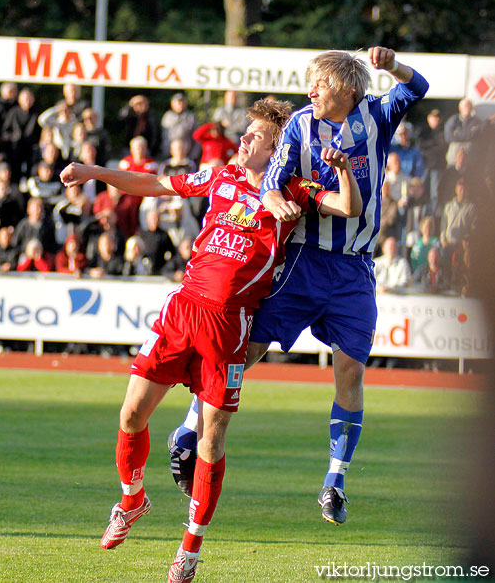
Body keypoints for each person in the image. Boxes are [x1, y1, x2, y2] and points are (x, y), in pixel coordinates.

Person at [59, 98, 362, 582]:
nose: (242, 140)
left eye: (254, 136)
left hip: (230, 325)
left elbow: (348, 206)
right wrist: (94, 171)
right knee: (132, 412)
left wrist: (343, 169)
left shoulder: (293, 191)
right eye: (245, 133)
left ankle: (190, 549)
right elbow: (155, 184)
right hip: (183, 309)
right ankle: (132, 499)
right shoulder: (219, 176)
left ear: (277, 147)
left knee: (211, 437)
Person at [167, 46, 429, 527]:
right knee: (247, 352)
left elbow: (418, 87)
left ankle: (335, 482)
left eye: (321, 83)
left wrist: (390, 64)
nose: (311, 90)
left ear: (347, 90)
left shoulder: (376, 113)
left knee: (350, 371)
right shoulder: (301, 124)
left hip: (355, 269)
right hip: (303, 261)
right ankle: (188, 427)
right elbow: (274, 175)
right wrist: (271, 197)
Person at [444, 98, 484, 166]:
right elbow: (448, 137)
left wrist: (458, 133)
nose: (467, 108)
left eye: (469, 106)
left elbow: (477, 135)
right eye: (465, 106)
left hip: (470, 159)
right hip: (453, 159)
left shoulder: (476, 121)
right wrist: (469, 133)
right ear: (460, 108)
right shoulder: (453, 120)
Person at [161, 92, 198, 159]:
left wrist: (193, 155)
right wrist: (166, 152)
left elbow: (196, 137)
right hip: (169, 154)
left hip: (187, 154)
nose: (180, 104)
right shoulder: (167, 117)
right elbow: (164, 137)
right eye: (178, 102)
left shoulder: (191, 117)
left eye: (182, 102)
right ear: (172, 104)